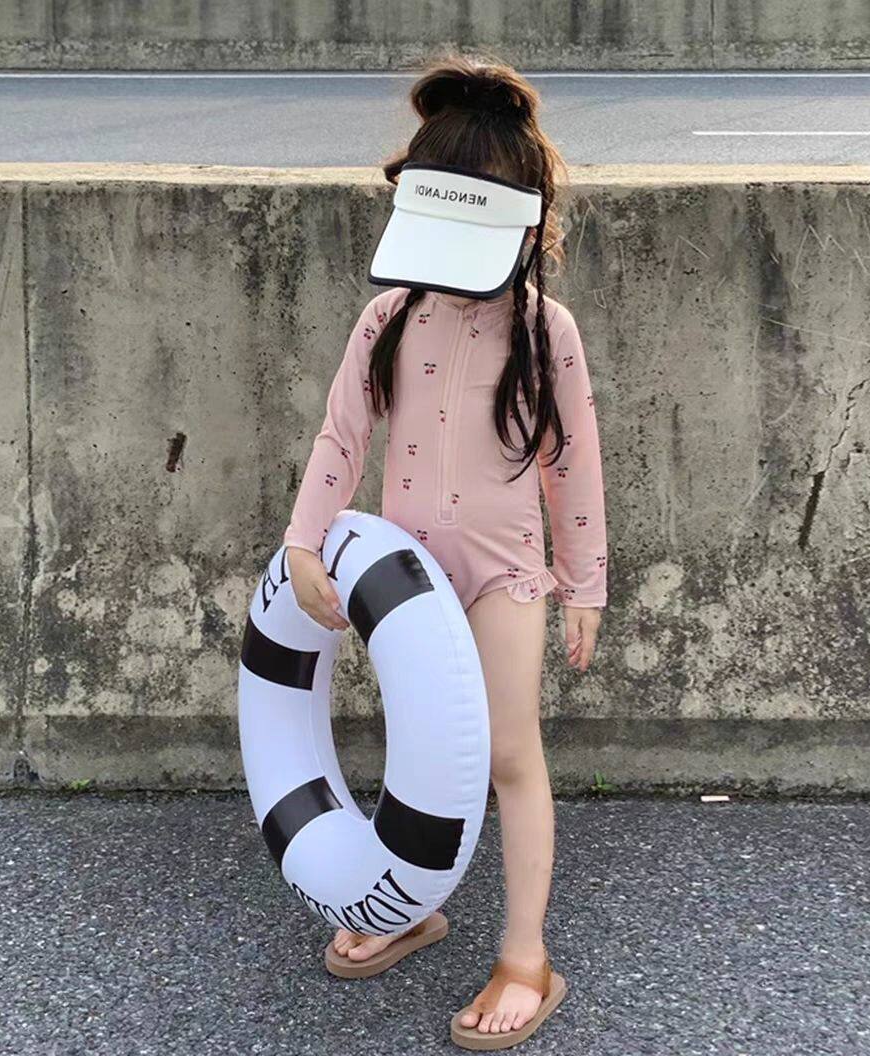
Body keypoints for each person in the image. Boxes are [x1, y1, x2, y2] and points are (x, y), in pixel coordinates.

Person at [281, 54, 608, 1049]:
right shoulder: (389, 319)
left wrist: (583, 583)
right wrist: (305, 543)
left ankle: (526, 955)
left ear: (524, 223)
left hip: (503, 576)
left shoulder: (545, 330)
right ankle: (411, 908)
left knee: (509, 754)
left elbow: (571, 463)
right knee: (419, 757)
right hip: (405, 582)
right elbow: (342, 438)